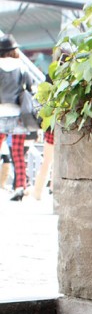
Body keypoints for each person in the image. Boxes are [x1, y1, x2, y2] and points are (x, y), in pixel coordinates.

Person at [0, 33, 34, 201]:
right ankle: (20, 187)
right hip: (18, 115)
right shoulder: (22, 67)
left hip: (0, 114)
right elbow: (30, 88)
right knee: (18, 153)